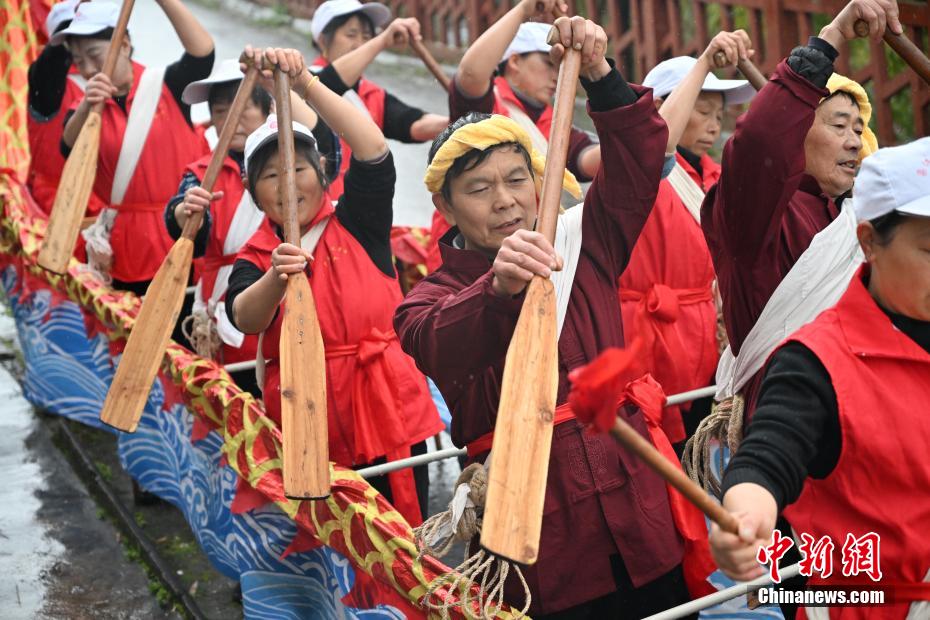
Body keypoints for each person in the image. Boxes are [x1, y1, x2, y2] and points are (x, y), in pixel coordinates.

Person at [396, 16, 697, 618]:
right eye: (479, 189)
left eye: (516, 180)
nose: (505, 201)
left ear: (540, 184)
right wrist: (498, 289)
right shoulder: (425, 300)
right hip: (534, 533)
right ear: (443, 206)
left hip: (640, 504)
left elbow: (641, 160)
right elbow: (440, 347)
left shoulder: (588, 238)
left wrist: (601, 75)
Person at [710, 137, 930, 619]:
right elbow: (769, 455)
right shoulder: (817, 361)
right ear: (869, 242)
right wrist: (746, 513)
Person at [224, 48, 442, 526]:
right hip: (309, 411)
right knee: (333, 536)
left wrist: (305, 84)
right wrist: (275, 278)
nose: (287, 184)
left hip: (387, 402)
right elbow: (243, 316)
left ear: (322, 174)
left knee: (406, 531)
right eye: (271, 176)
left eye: (298, 170)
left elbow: (374, 151)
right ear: (252, 192)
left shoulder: (357, 220)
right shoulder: (257, 254)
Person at [701, 0, 898, 421]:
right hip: (787, 423)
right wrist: (831, 39)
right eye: (838, 125)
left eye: (859, 129)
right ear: (797, 130)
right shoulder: (759, 216)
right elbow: (758, 144)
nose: (853, 141)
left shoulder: (857, 223)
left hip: (860, 411)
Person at [618, 31, 756, 445]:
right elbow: (653, 147)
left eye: (720, 114)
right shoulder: (634, 173)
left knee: (704, 446)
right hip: (648, 339)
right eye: (703, 109)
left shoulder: (721, 175)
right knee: (659, 450)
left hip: (708, 337)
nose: (716, 124)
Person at [163, 57, 326, 395]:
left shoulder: (297, 164)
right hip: (230, 304)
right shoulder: (201, 174)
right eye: (221, 112)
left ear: (268, 110)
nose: (231, 120)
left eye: (241, 109)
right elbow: (188, 223)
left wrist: (277, 81)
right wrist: (185, 211)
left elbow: (331, 144)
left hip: (296, 295)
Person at [57, 0, 214, 294]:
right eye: (79, 61)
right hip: (124, 245)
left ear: (125, 44)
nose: (89, 69)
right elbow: (68, 149)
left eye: (95, 55)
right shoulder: (84, 108)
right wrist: (88, 107)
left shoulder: (165, 84)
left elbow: (203, 52)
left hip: (181, 230)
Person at [308, 0, 448, 195]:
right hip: (318, 210)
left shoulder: (370, 92)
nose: (360, 43)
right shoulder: (303, 85)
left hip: (361, 208)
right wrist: (382, 40)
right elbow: (327, 86)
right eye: (351, 34)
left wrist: (456, 123)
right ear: (323, 40)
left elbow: (410, 122)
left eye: (367, 36)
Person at [26, 0, 107, 219]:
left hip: (103, 207)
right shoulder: (46, 83)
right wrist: (81, 12)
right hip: (51, 208)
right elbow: (50, 63)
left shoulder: (117, 80)